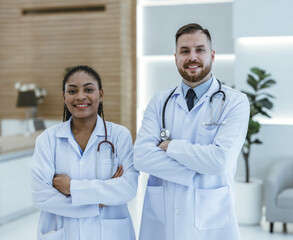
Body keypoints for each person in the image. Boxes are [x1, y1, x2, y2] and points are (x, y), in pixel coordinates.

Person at [134, 23, 249, 240]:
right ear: (175, 57)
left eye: (200, 50)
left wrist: (170, 147)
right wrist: (196, 168)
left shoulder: (235, 102)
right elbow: (141, 157)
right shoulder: (160, 101)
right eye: (184, 51)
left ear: (212, 55)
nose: (192, 57)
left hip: (210, 223)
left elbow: (220, 161)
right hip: (162, 222)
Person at [30, 65, 139, 240]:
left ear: (100, 94)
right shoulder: (48, 140)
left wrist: (71, 187)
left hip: (110, 233)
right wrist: (99, 202)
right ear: (64, 97)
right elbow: (40, 196)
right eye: (72, 91)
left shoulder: (119, 136)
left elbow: (128, 188)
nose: (80, 96)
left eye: (88, 89)